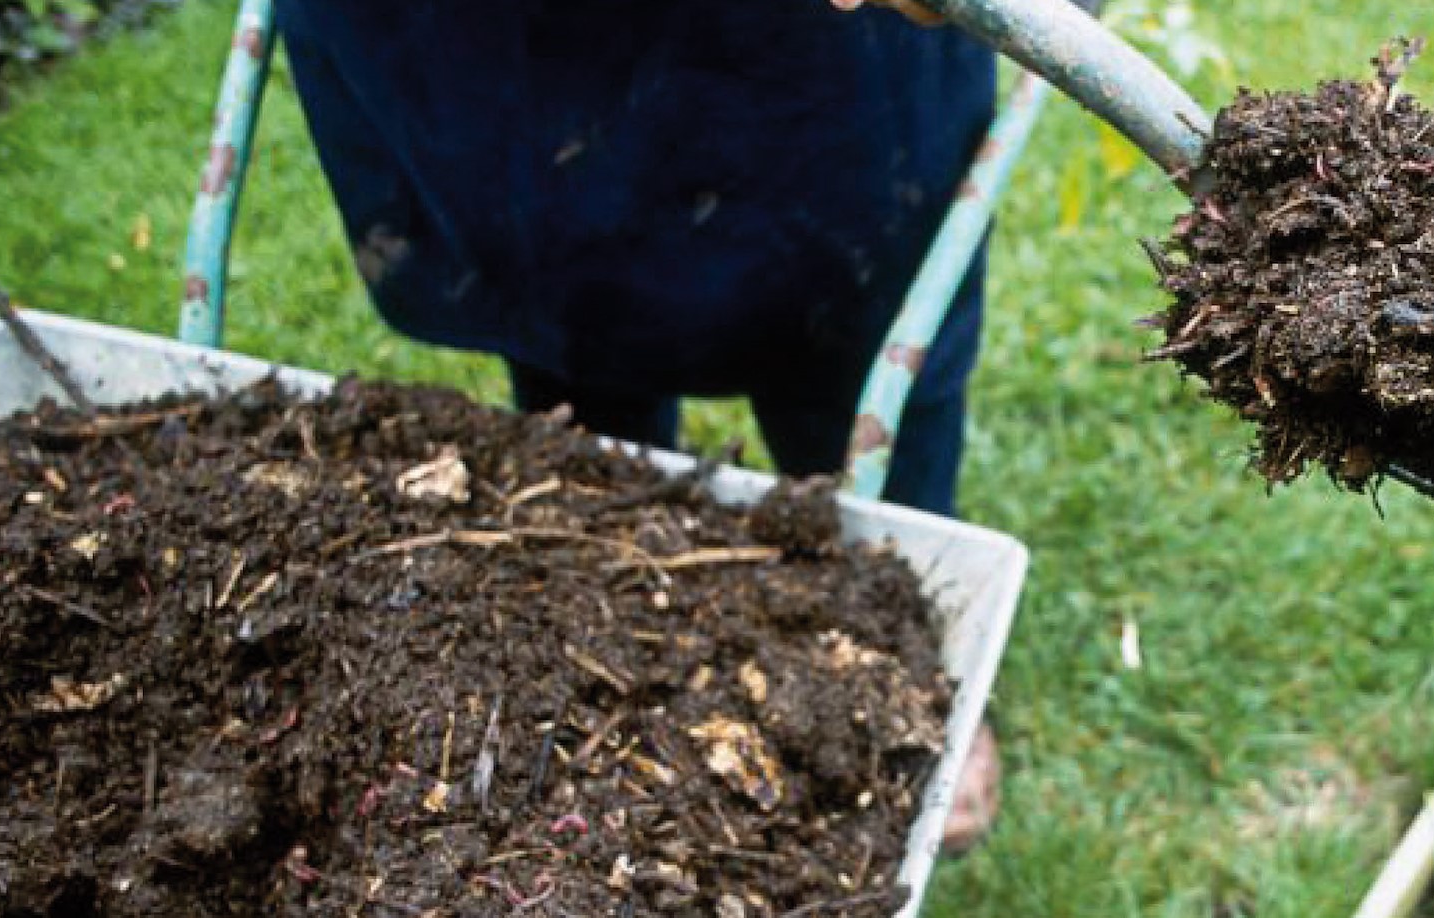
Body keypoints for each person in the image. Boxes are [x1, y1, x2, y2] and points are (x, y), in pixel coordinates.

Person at [273, 0, 1001, 847]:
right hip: (487, 58)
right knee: (571, 356)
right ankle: (614, 644)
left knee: (871, 374)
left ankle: (910, 665)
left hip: (836, 71)